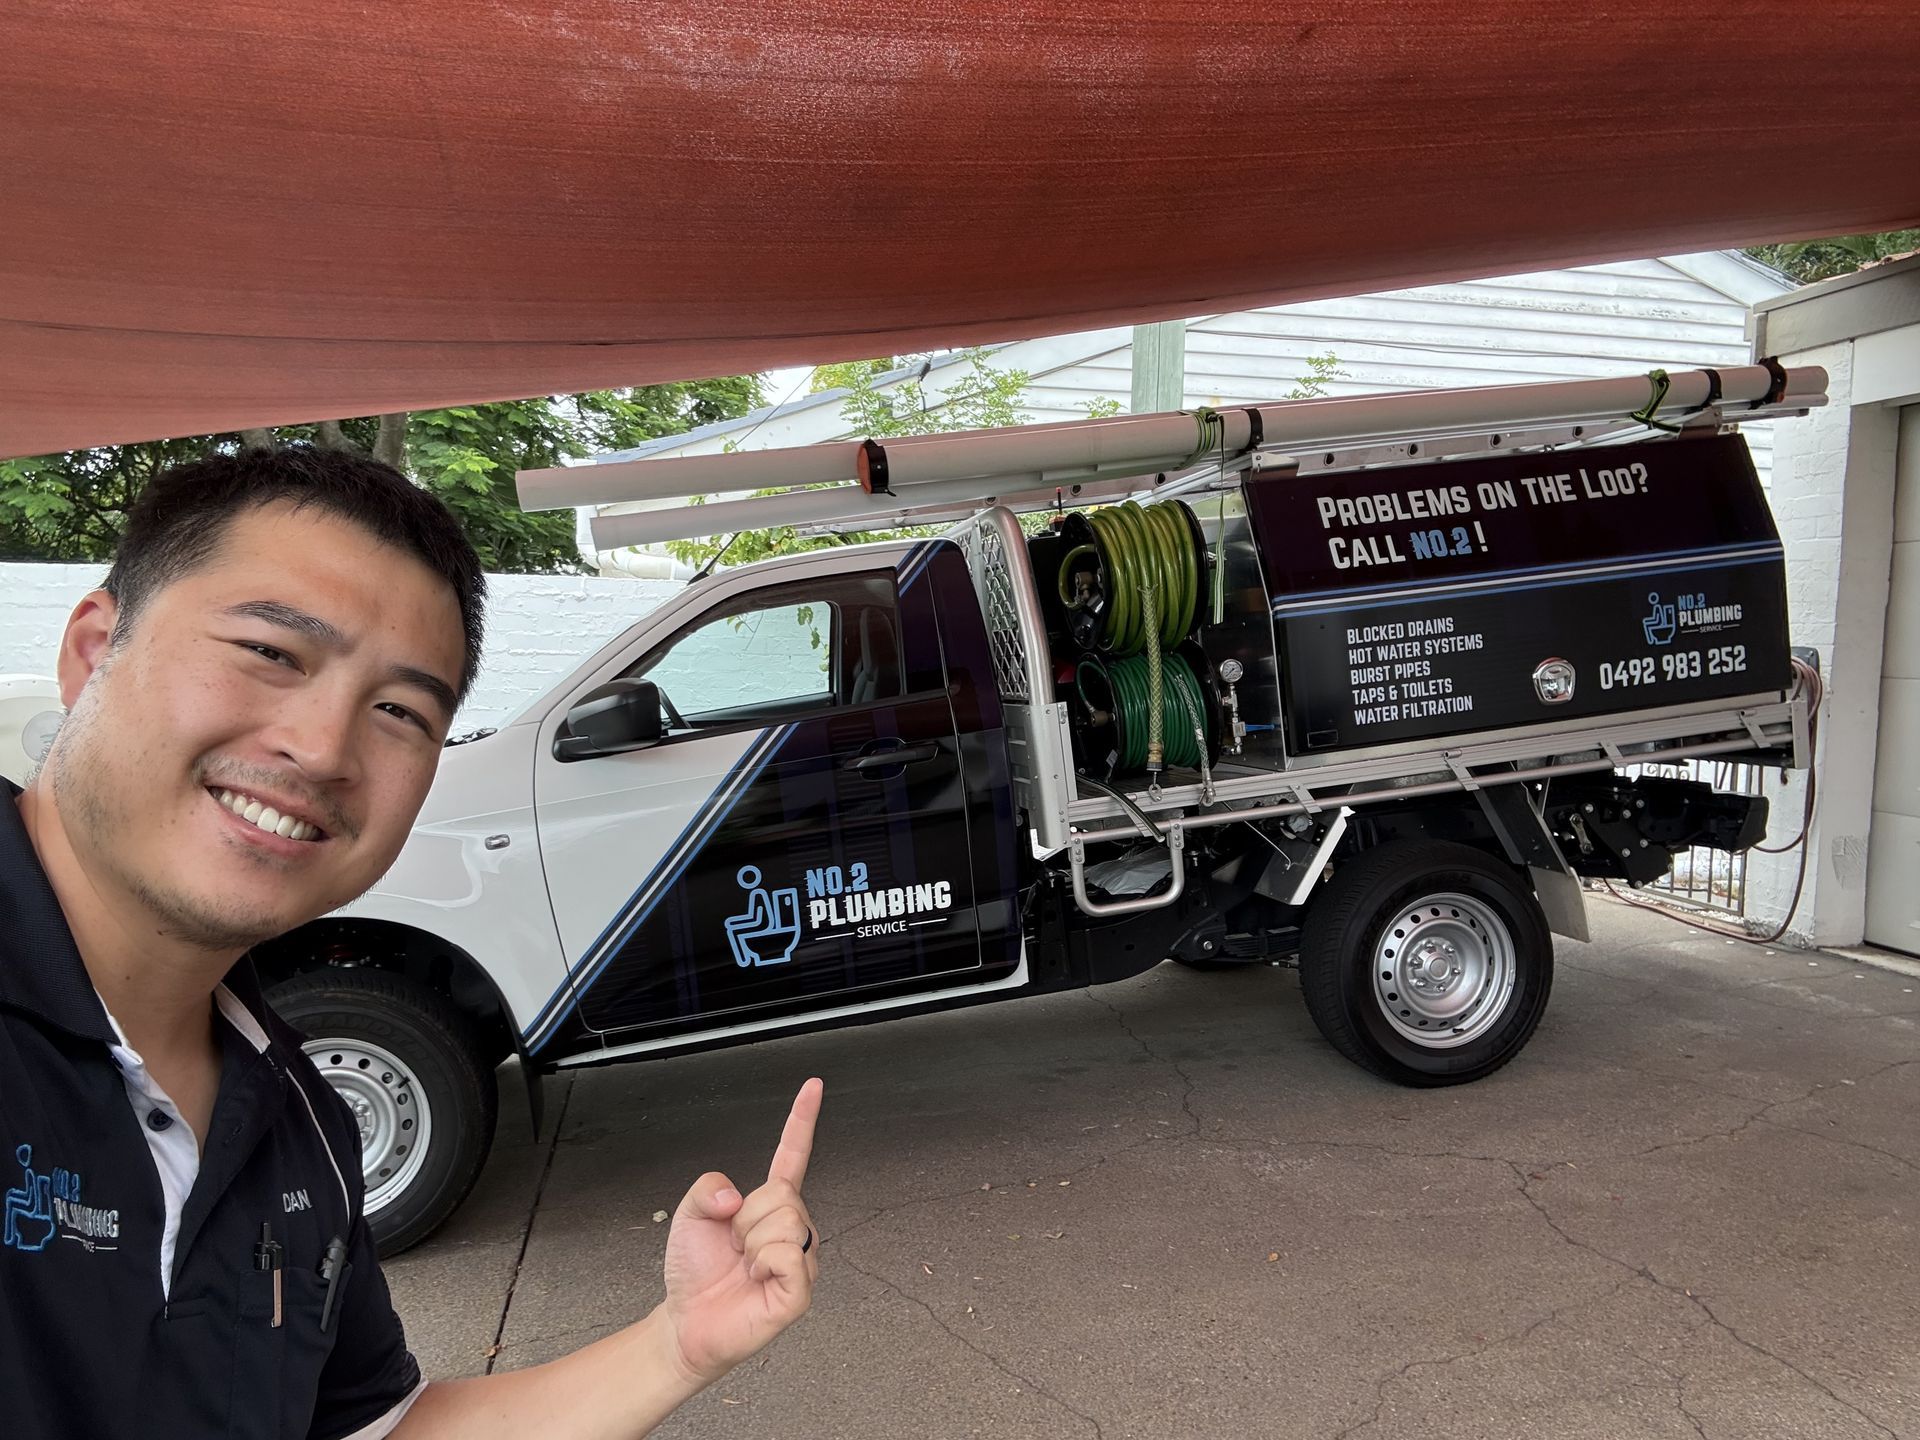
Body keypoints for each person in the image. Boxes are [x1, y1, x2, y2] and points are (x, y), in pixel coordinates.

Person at [0, 445, 822, 1439]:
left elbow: (375, 1429)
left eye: (399, 710)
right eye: (270, 651)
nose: (322, 748)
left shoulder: (301, 1114)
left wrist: (677, 1342)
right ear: (95, 650)